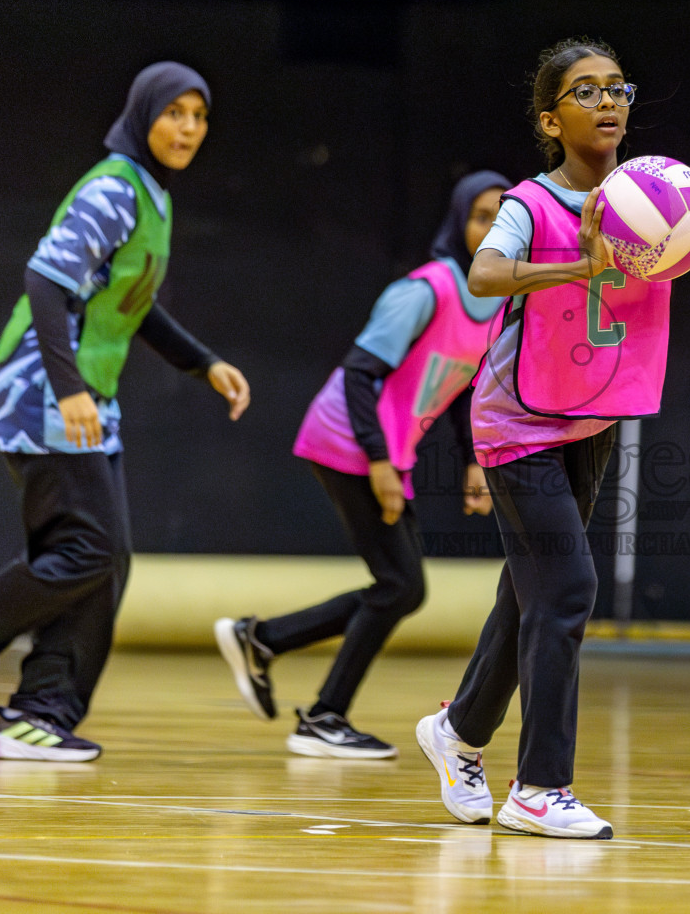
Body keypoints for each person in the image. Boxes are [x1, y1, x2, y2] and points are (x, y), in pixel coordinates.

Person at [414, 37, 690, 839]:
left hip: (594, 414)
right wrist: (585, 267)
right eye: (586, 92)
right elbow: (485, 277)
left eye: (618, 87)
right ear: (553, 121)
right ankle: (540, 786)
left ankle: (455, 733)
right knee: (569, 591)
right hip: (518, 423)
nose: (609, 101)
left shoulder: (661, 194)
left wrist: (689, 240)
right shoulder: (531, 204)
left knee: (529, 594)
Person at [0, 62, 250, 762]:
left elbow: (131, 308)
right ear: (143, 114)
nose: (188, 128)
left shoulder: (152, 197)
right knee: (85, 549)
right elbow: (45, 281)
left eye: (199, 116)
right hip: (43, 390)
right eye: (174, 112)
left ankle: (37, 714)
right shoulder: (115, 186)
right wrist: (68, 388)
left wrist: (204, 363)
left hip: (86, 397)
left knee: (104, 560)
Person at [214, 172, 510, 758]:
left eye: (504, 217)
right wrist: (379, 463)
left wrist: (473, 462)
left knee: (398, 587)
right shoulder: (426, 290)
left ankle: (267, 643)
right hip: (348, 438)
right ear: (458, 223)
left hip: (383, 449)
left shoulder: (495, 302)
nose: (493, 227)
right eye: (481, 215)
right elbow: (358, 373)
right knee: (401, 585)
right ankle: (320, 711)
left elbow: (461, 388)